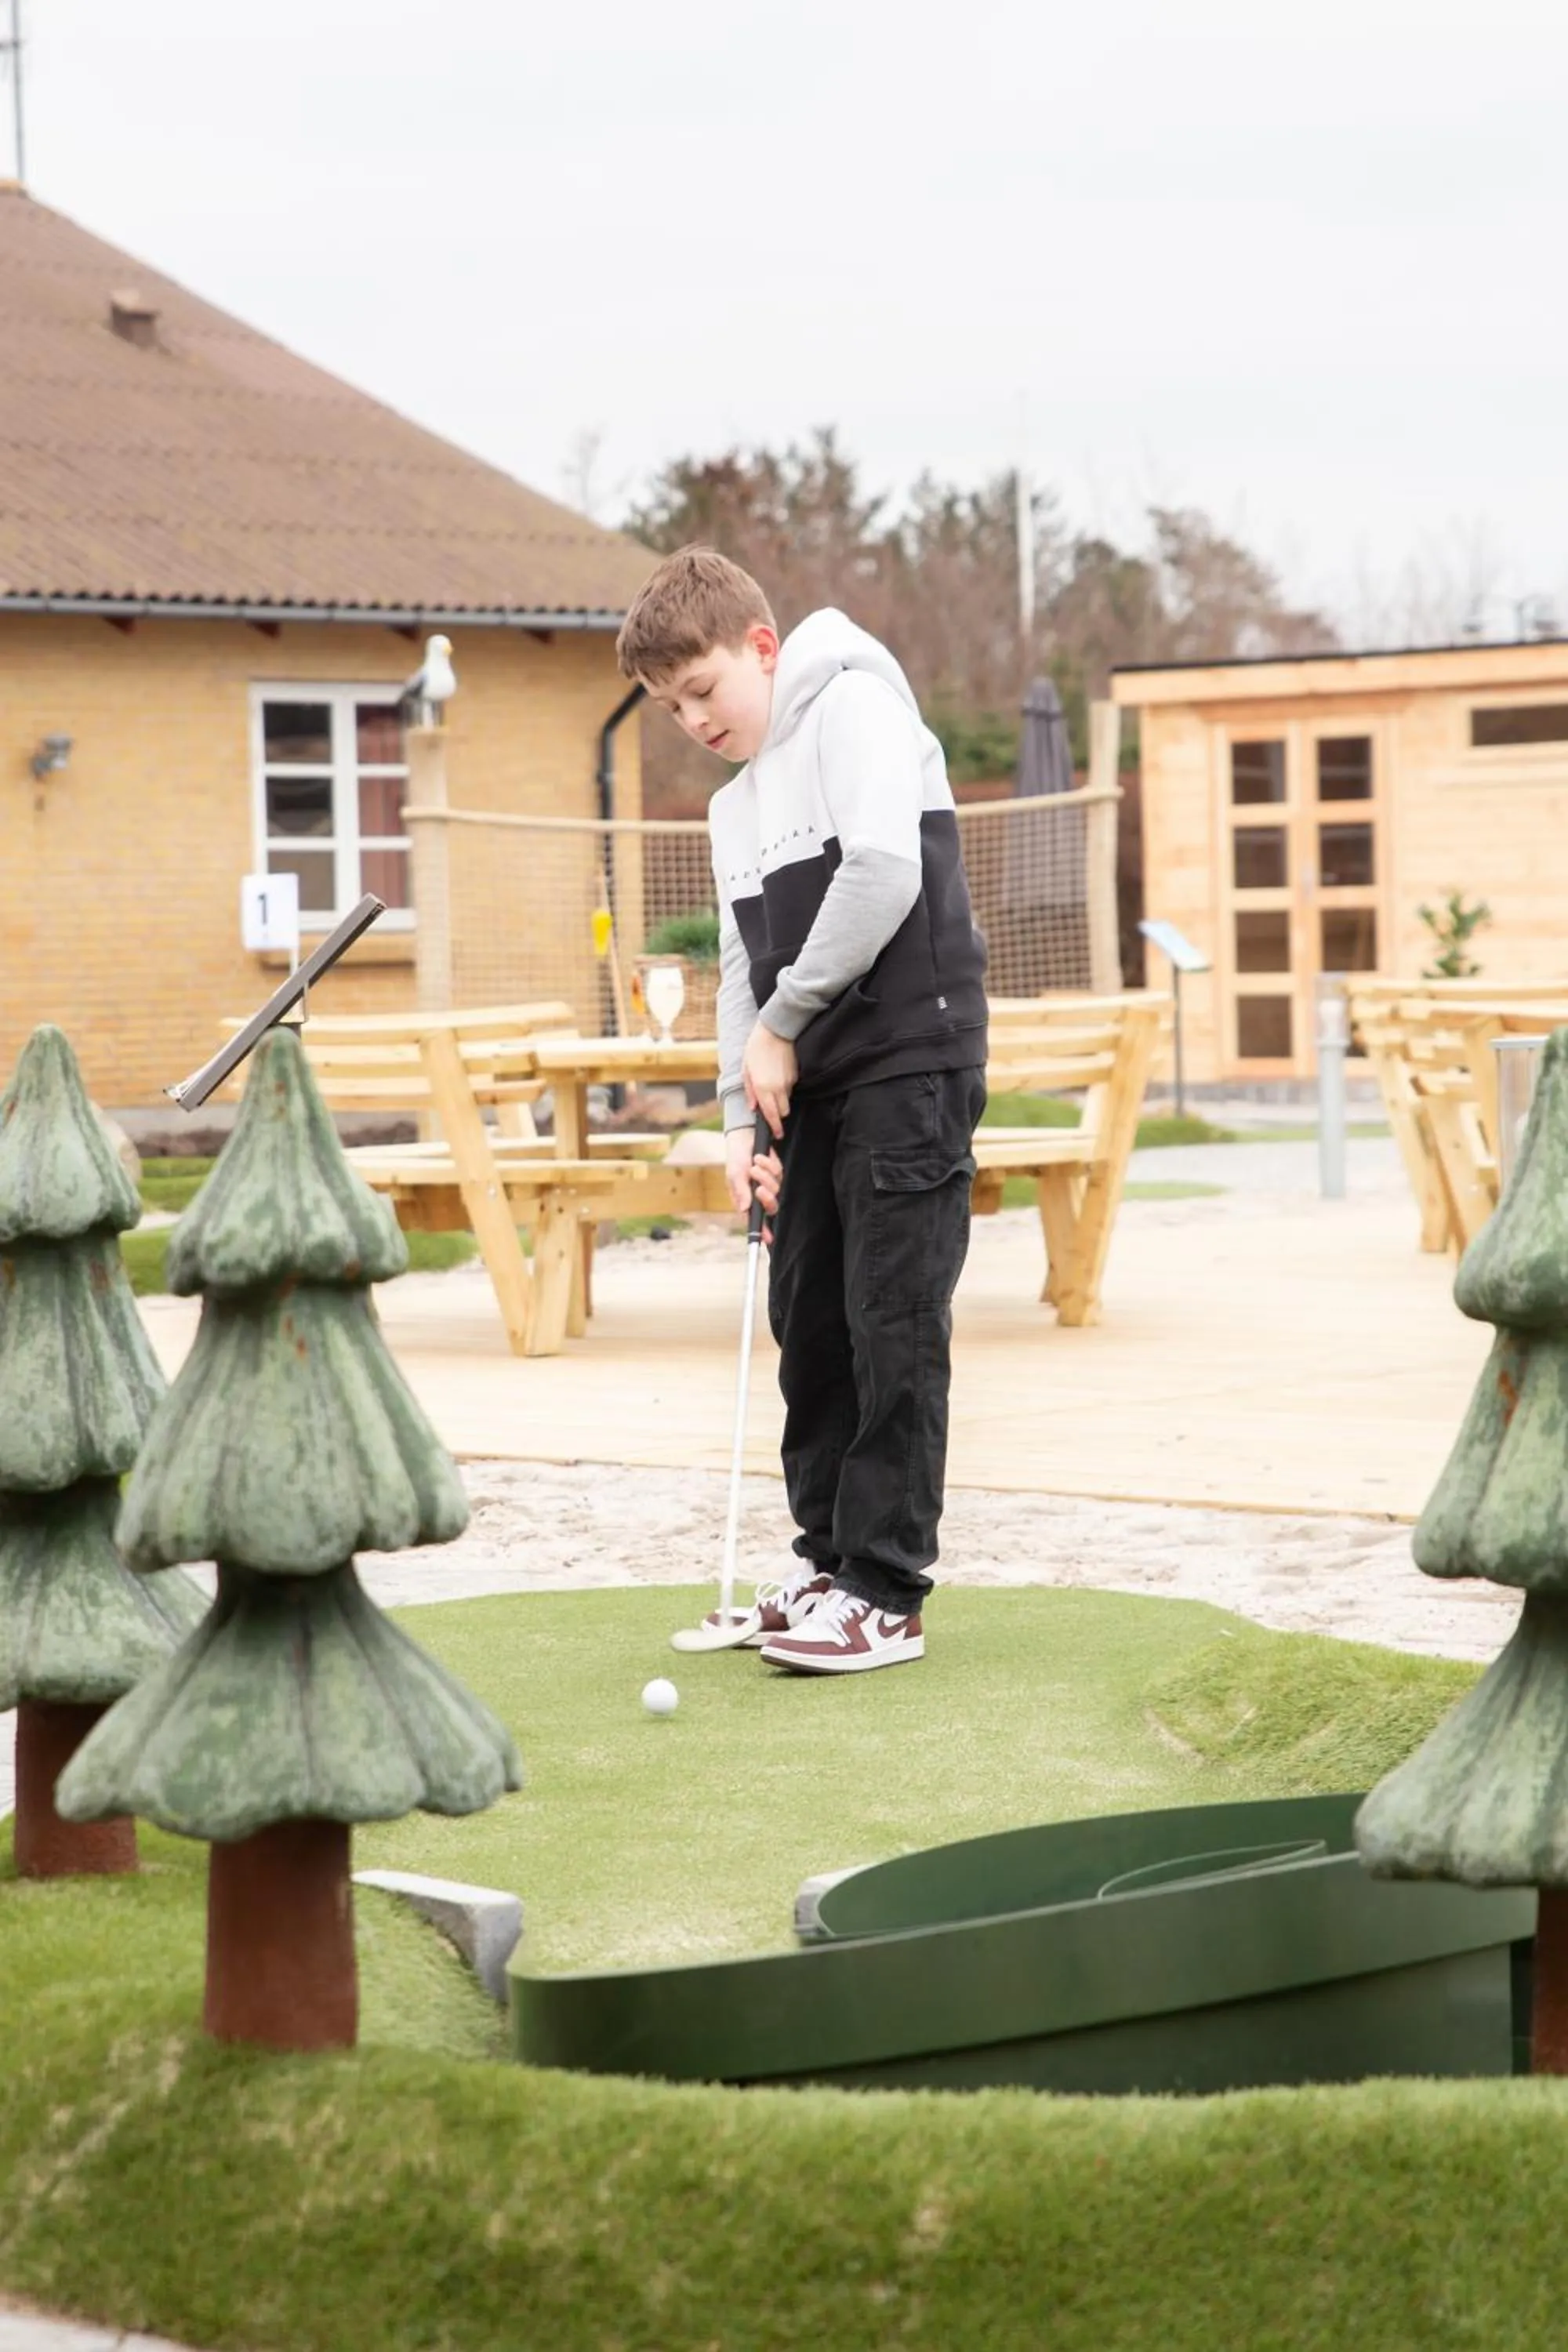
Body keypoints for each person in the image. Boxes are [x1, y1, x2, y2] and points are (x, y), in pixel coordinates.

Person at [617, 547, 988, 1674]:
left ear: (763, 648)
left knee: (891, 1321)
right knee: (811, 1323)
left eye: (705, 689)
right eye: (670, 706)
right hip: (805, 1082)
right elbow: (739, 965)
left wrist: (782, 1027)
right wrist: (740, 1113)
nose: (694, 719)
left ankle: (885, 1592)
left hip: (906, 1061)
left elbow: (882, 874)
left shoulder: (856, 710)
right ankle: (826, 1560)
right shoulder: (736, 807)